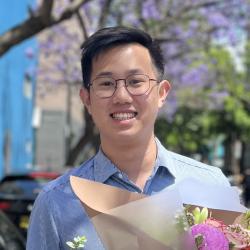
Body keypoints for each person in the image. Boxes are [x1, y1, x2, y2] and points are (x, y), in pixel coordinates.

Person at [27, 26, 230, 250]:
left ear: (161, 93)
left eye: (135, 81)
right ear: (86, 100)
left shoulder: (211, 185)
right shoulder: (55, 203)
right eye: (106, 84)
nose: (122, 96)